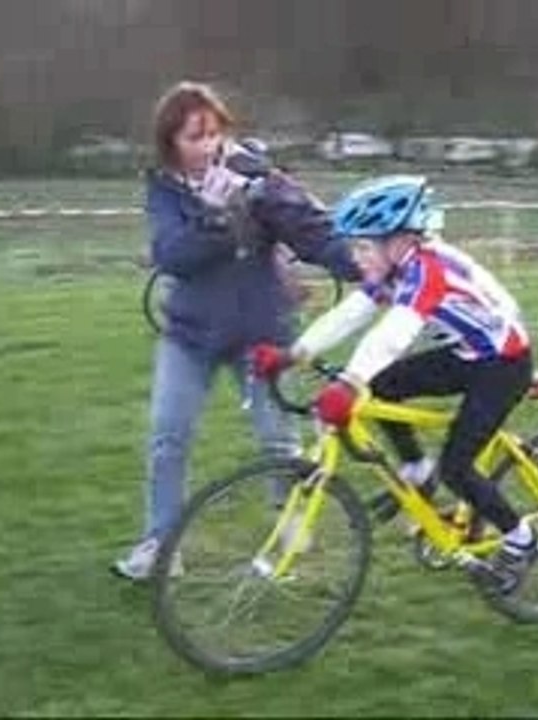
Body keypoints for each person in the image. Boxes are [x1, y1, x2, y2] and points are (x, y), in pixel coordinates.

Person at [112, 82, 358, 580]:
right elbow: (173, 255)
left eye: (214, 133)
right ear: (171, 143)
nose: (208, 146)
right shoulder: (164, 188)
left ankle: (289, 533)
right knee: (167, 439)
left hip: (262, 333)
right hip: (190, 336)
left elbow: (311, 232)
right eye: (194, 137)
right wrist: (218, 217)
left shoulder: (256, 178)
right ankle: (160, 546)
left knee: (276, 440)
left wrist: (369, 267)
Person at [252, 174, 538, 595]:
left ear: (401, 240)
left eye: (364, 246)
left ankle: (521, 539)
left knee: (458, 468)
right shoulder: (395, 266)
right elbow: (352, 314)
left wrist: (350, 384)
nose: (357, 256)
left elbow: (395, 333)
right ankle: (416, 470)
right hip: (466, 353)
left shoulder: (429, 270)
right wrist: (294, 354)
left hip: (503, 363)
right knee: (384, 387)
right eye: (355, 246)